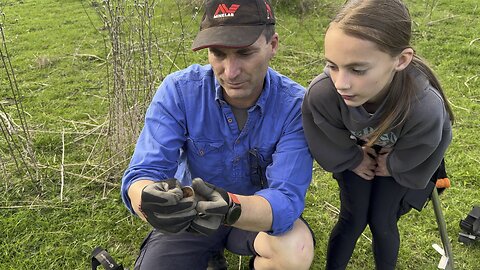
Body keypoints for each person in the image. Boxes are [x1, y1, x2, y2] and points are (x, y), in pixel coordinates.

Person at [121, 0, 315, 269]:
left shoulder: (295, 106)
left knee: (295, 250)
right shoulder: (179, 91)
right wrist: (149, 198)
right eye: (218, 53)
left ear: (273, 45)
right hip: (189, 216)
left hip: (254, 219)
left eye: (245, 53)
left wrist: (229, 207)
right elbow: (143, 173)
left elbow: (286, 199)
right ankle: (209, 256)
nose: (231, 72)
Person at [301, 0, 454, 269]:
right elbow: (321, 129)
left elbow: (431, 142)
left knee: (383, 221)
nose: (341, 83)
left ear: (401, 60)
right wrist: (351, 158)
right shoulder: (323, 92)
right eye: (333, 65)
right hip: (356, 157)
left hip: (396, 166)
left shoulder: (424, 106)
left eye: (357, 70)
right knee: (353, 218)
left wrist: (394, 164)